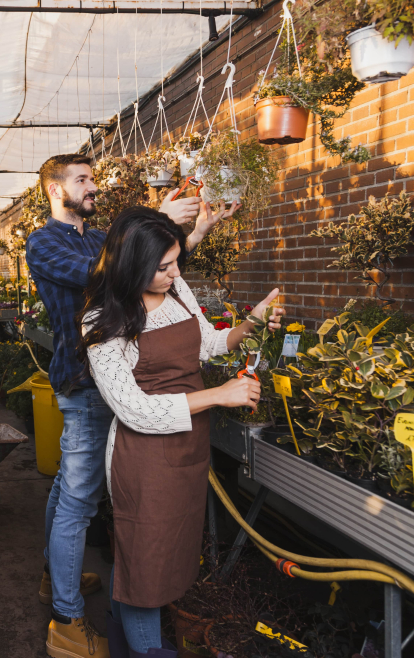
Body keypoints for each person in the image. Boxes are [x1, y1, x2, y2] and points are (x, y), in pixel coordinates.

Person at [25, 153, 238, 658]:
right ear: (56, 190)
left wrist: (186, 231)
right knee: (80, 497)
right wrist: (156, 219)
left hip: (113, 379)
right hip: (84, 382)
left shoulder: (98, 238)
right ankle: (67, 617)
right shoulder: (44, 242)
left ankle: (56, 576)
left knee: (70, 490)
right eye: (83, 180)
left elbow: (144, 262)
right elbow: (119, 270)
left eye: (93, 179)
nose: (93, 187)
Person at [77, 207, 284, 658]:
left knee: (143, 558)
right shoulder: (101, 322)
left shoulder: (175, 288)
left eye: (176, 261)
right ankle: (147, 650)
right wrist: (218, 396)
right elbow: (134, 410)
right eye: (164, 265)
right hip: (143, 460)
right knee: (145, 573)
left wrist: (252, 321)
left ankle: (119, 644)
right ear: (131, 265)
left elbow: (208, 344)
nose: (176, 272)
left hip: (186, 449)